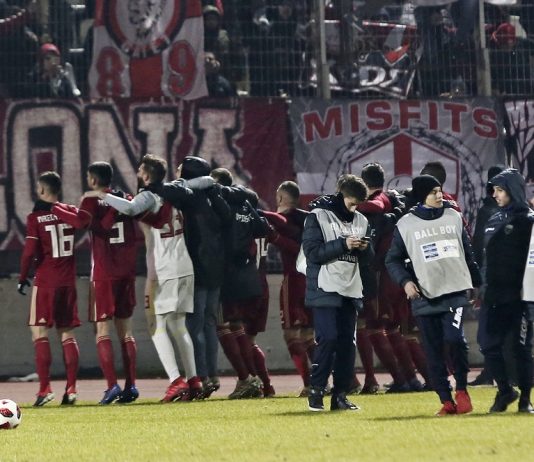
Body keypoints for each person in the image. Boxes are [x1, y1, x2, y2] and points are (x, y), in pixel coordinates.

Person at [92, 154, 211, 402]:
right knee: (178, 326)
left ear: (146, 175)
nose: (137, 173)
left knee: (157, 327)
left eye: (140, 170)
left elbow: (131, 208)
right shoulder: (176, 188)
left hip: (167, 266)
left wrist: (103, 195)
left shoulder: (150, 196)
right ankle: (194, 379)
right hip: (185, 263)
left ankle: (176, 381)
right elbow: (205, 181)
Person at [386, 174, 482, 416]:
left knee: (455, 339)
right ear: (421, 196)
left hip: (454, 291)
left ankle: (462, 390)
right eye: (433, 192)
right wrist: (406, 281)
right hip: (425, 296)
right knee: (432, 349)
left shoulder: (453, 216)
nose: (440, 195)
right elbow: (392, 260)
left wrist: (476, 283)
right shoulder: (405, 224)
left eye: (440, 190)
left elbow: (467, 252)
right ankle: (446, 400)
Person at [52, 162, 140, 404]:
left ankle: (112, 386)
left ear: (92, 179)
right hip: (127, 272)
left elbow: (81, 223)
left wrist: (56, 209)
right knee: (126, 330)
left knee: (102, 329)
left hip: (104, 273)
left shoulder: (91, 201)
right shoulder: (125, 198)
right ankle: (131, 385)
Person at [157, 156, 232, 396]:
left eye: (181, 168)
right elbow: (227, 216)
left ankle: (199, 376)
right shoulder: (214, 195)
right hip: (216, 268)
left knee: (194, 325)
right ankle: (212, 374)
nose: (177, 170)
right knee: (209, 323)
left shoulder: (189, 196)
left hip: (196, 267)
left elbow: (163, 189)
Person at [302, 174, 374, 412]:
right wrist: (343, 244)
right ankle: (316, 392)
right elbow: (312, 253)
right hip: (324, 286)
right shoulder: (318, 216)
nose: (354, 209)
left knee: (347, 344)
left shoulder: (362, 220)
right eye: (352, 203)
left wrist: (365, 249)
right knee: (328, 338)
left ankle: (340, 395)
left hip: (350, 288)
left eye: (358, 205)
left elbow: (368, 259)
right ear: (342, 195)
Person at [358, 162, 426, 394]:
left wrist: (350, 203)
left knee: (375, 328)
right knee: (395, 329)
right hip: (397, 272)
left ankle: (402, 379)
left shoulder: (380, 199)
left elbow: (376, 205)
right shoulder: (394, 201)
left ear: (364, 182)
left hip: (383, 275)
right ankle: (412, 379)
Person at [18, 171, 80, 406]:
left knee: (39, 331)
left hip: (46, 282)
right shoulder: (71, 212)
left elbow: (28, 253)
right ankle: (71, 389)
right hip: (68, 282)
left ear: (43, 190)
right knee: (67, 333)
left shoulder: (36, 218)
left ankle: (45, 390)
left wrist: (22, 277)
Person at [211, 167, 272, 399]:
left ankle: (246, 378)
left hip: (228, 273)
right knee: (240, 329)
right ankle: (257, 381)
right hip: (250, 276)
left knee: (222, 326)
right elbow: (264, 229)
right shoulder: (246, 206)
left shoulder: (223, 207)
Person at [477, 168, 534, 413]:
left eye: (500, 190)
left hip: (520, 297)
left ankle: (526, 400)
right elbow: (486, 259)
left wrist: (529, 294)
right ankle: (505, 390)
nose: (495, 194)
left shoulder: (529, 220)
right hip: (493, 295)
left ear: (513, 190)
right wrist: (482, 287)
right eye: (494, 190)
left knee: (520, 349)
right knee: (487, 344)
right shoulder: (493, 219)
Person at [263, 181, 314, 396]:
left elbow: (294, 244)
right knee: (309, 335)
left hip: (293, 280)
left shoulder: (283, 220)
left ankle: (310, 384)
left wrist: (273, 235)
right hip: (312, 281)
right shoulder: (307, 219)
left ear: (281, 198)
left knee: (292, 335)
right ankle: (323, 381)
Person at [468, 164, 505, 387]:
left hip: (493, 281)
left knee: (489, 330)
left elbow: (479, 246)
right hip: (511, 281)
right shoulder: (522, 212)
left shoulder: (488, 212)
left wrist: (476, 280)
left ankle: (494, 372)